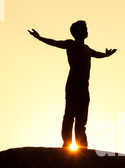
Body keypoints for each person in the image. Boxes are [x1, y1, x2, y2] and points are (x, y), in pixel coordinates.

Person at [28, 20, 117, 148]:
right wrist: (39, 37)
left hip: (84, 85)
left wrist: (106, 54)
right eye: (83, 28)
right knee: (70, 115)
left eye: (86, 28)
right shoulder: (71, 44)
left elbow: (97, 54)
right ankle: (67, 143)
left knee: (82, 118)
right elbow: (54, 42)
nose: (86, 31)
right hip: (74, 82)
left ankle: (82, 146)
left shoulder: (86, 48)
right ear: (75, 32)